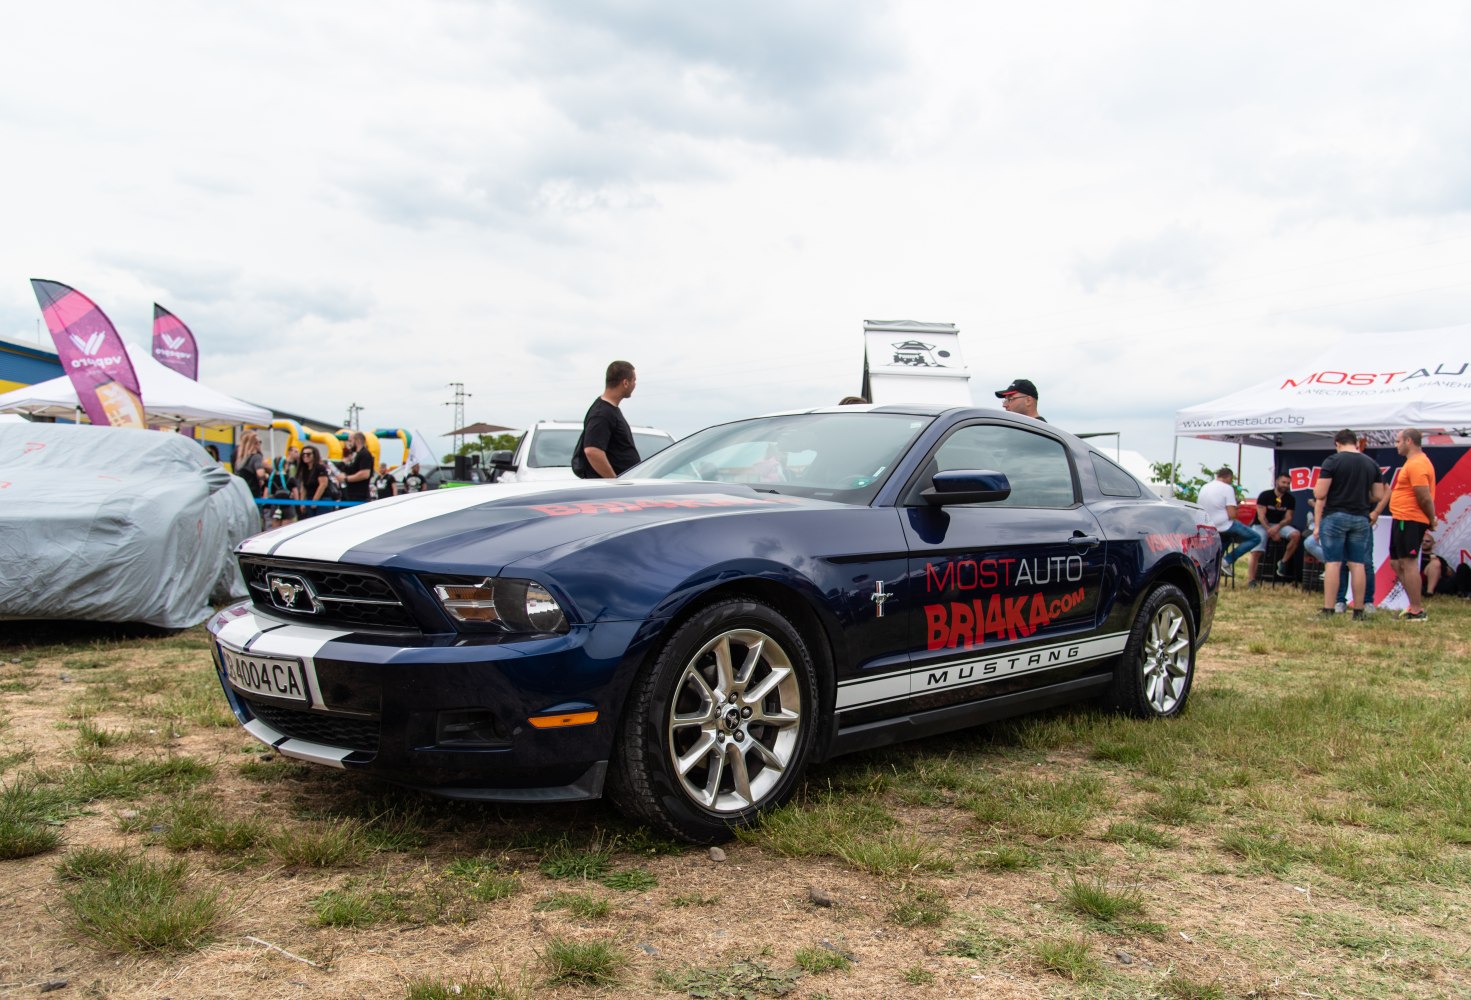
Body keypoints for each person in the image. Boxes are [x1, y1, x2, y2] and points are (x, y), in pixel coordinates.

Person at [1313, 429, 1386, 620]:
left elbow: (1320, 494)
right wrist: (1361, 497)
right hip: (1361, 518)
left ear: (1337, 443)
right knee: (1358, 564)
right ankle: (1359, 611)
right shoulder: (1371, 463)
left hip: (1335, 516)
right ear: (1355, 443)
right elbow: (1378, 495)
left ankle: (1329, 609)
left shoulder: (1332, 461)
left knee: (1333, 564)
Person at [1387, 428, 1437, 621]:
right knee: (1396, 562)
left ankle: (1416, 609)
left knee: (1407, 562)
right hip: (1402, 517)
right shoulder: (1412, 462)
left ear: (1408, 441)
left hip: (1410, 519)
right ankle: (1413, 604)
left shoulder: (1418, 463)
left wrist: (1431, 518)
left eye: (1398, 441)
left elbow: (1424, 496)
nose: (1396, 445)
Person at [574, 360, 640, 479]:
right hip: (608, 491)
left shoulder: (610, 410)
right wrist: (614, 481)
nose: (635, 384)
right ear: (625, 383)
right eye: (634, 380)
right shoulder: (601, 413)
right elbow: (592, 450)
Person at [1198, 467, 1259, 577]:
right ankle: (1226, 561)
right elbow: (1232, 515)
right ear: (1229, 477)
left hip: (1207, 526)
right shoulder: (1227, 488)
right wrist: (1236, 506)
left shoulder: (1205, 487)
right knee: (1255, 538)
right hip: (1224, 525)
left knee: (1226, 539)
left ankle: (1215, 565)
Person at [1248, 473, 1302, 584]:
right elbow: (1261, 517)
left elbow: (1288, 518)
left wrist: (1277, 527)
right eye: (1283, 482)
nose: (1286, 485)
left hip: (1278, 525)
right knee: (1256, 551)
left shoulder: (1290, 499)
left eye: (1288, 483)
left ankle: (1283, 562)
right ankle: (1251, 579)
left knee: (1296, 535)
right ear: (1277, 482)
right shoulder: (1265, 495)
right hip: (1261, 525)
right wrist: (1271, 532)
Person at [1421, 533, 1465, 598]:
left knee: (1463, 567)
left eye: (1427, 541)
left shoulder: (1438, 558)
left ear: (1433, 543)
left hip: (1441, 583)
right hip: (1422, 584)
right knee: (1435, 563)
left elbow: (1449, 572)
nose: (1424, 543)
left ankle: (1464, 593)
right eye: (1422, 541)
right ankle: (1429, 593)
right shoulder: (1414, 557)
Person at [335, 431, 374, 503]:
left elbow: (365, 474)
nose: (349, 444)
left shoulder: (364, 454)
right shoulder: (355, 455)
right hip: (350, 494)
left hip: (359, 496)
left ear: (358, 440)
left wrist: (346, 478)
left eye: (350, 441)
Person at [297, 445, 330, 519]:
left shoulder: (320, 468)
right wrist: (302, 503)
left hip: (322, 499)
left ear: (314, 455)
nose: (305, 456)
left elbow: (323, 484)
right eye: (303, 454)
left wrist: (315, 500)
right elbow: (303, 487)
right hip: (309, 499)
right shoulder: (304, 470)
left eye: (308, 454)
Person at [234, 430, 266, 498]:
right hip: (253, 493)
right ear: (255, 444)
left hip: (240, 492)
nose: (260, 444)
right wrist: (266, 476)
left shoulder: (239, 458)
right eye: (259, 442)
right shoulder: (256, 457)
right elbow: (260, 473)